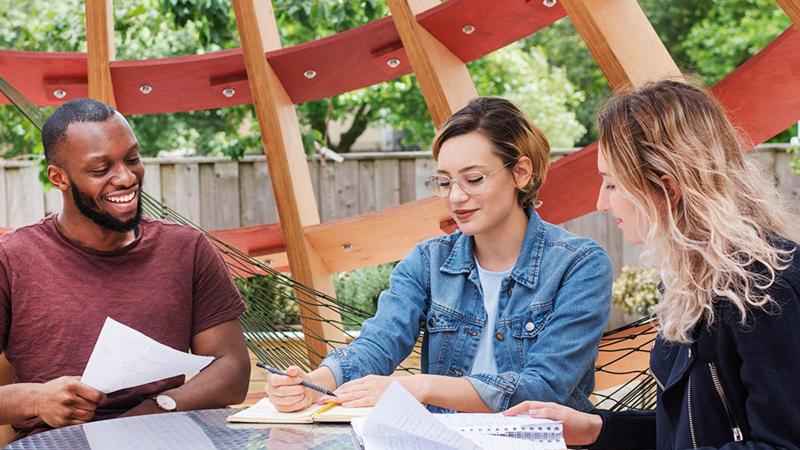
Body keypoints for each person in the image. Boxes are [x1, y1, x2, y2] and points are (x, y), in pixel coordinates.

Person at [266, 97, 612, 414]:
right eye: (445, 182)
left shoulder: (578, 265)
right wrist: (316, 383)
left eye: (473, 179)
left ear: (520, 173)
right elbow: (380, 341)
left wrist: (421, 387)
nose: (456, 197)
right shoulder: (427, 262)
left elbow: (544, 388)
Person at [505, 80, 800, 449]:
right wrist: (595, 429)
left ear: (667, 189)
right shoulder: (692, 283)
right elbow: (687, 431)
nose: (600, 203)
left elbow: (782, 442)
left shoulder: (763, 289)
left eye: (611, 185)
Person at [0, 99, 250, 439]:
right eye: (101, 169)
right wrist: (35, 399)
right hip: (55, 443)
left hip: (163, 435)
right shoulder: (12, 260)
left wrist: (155, 408)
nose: (126, 177)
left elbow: (233, 370)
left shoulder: (186, 249)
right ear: (58, 178)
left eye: (132, 159)